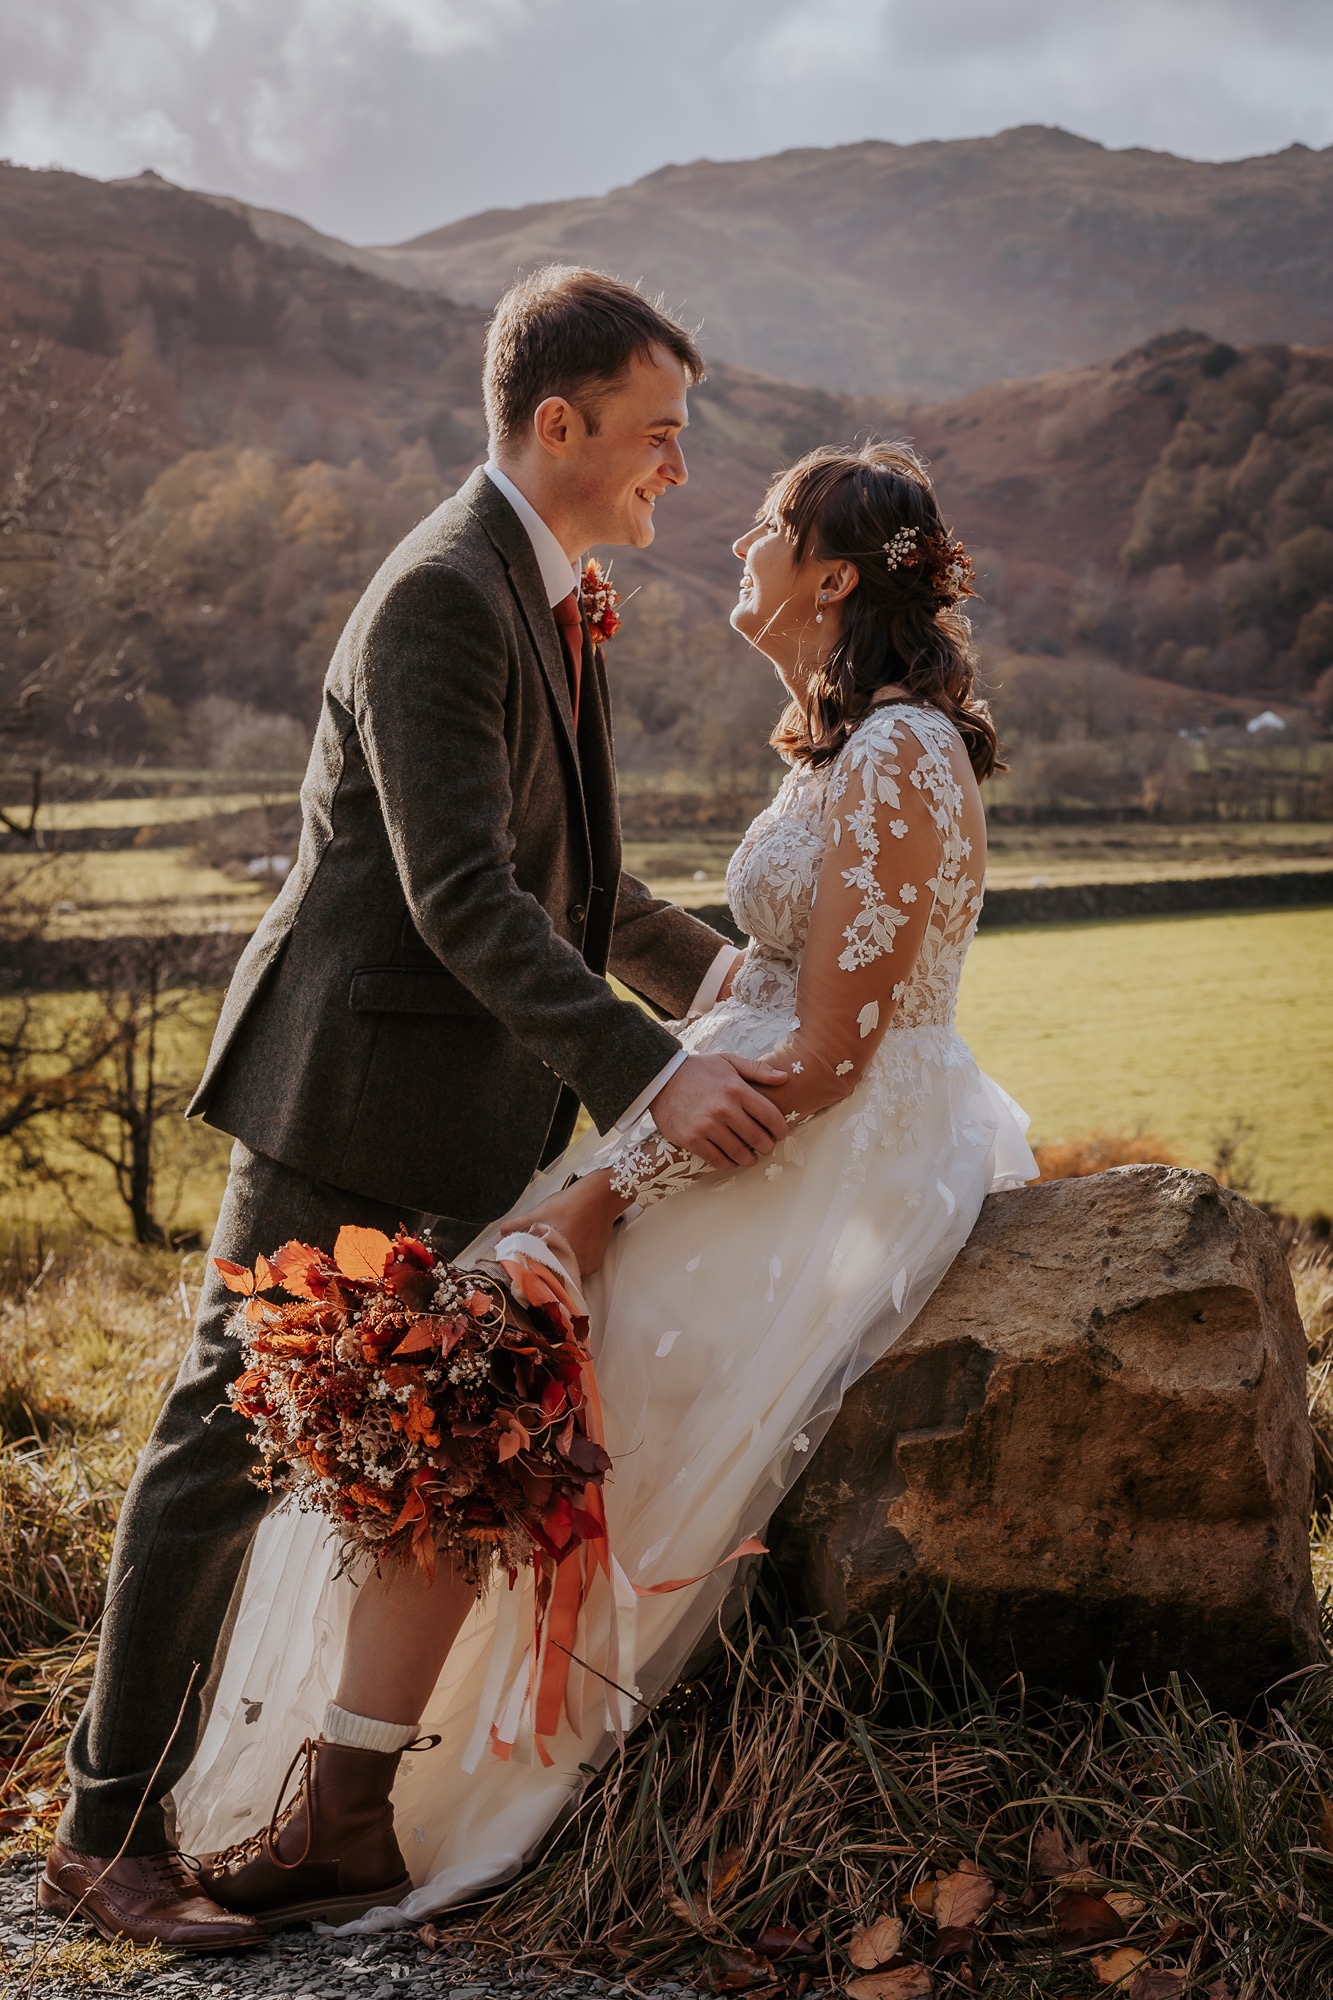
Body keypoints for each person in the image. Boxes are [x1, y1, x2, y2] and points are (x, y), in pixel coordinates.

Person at [169, 441, 1037, 1930]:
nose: (736, 533)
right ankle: (347, 1794)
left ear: (832, 574)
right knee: (471, 1352)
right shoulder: (855, 745)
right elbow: (757, 986)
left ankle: (352, 1805)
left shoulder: (898, 752)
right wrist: (617, 1149)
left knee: (490, 1359)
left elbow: (827, 1051)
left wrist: (596, 1195)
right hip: (734, 1116)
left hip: (811, 1153)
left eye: (769, 523)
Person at [43, 265, 791, 1951]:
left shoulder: (553, 593)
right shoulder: (444, 597)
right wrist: (661, 1078)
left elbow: (576, 882)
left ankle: (338, 1808)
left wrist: (724, 979)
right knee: (221, 1446)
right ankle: (105, 1837)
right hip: (352, 1094)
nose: (679, 467)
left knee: (401, 1455)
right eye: (659, 435)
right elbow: (464, 898)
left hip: (461, 1108)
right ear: (558, 422)